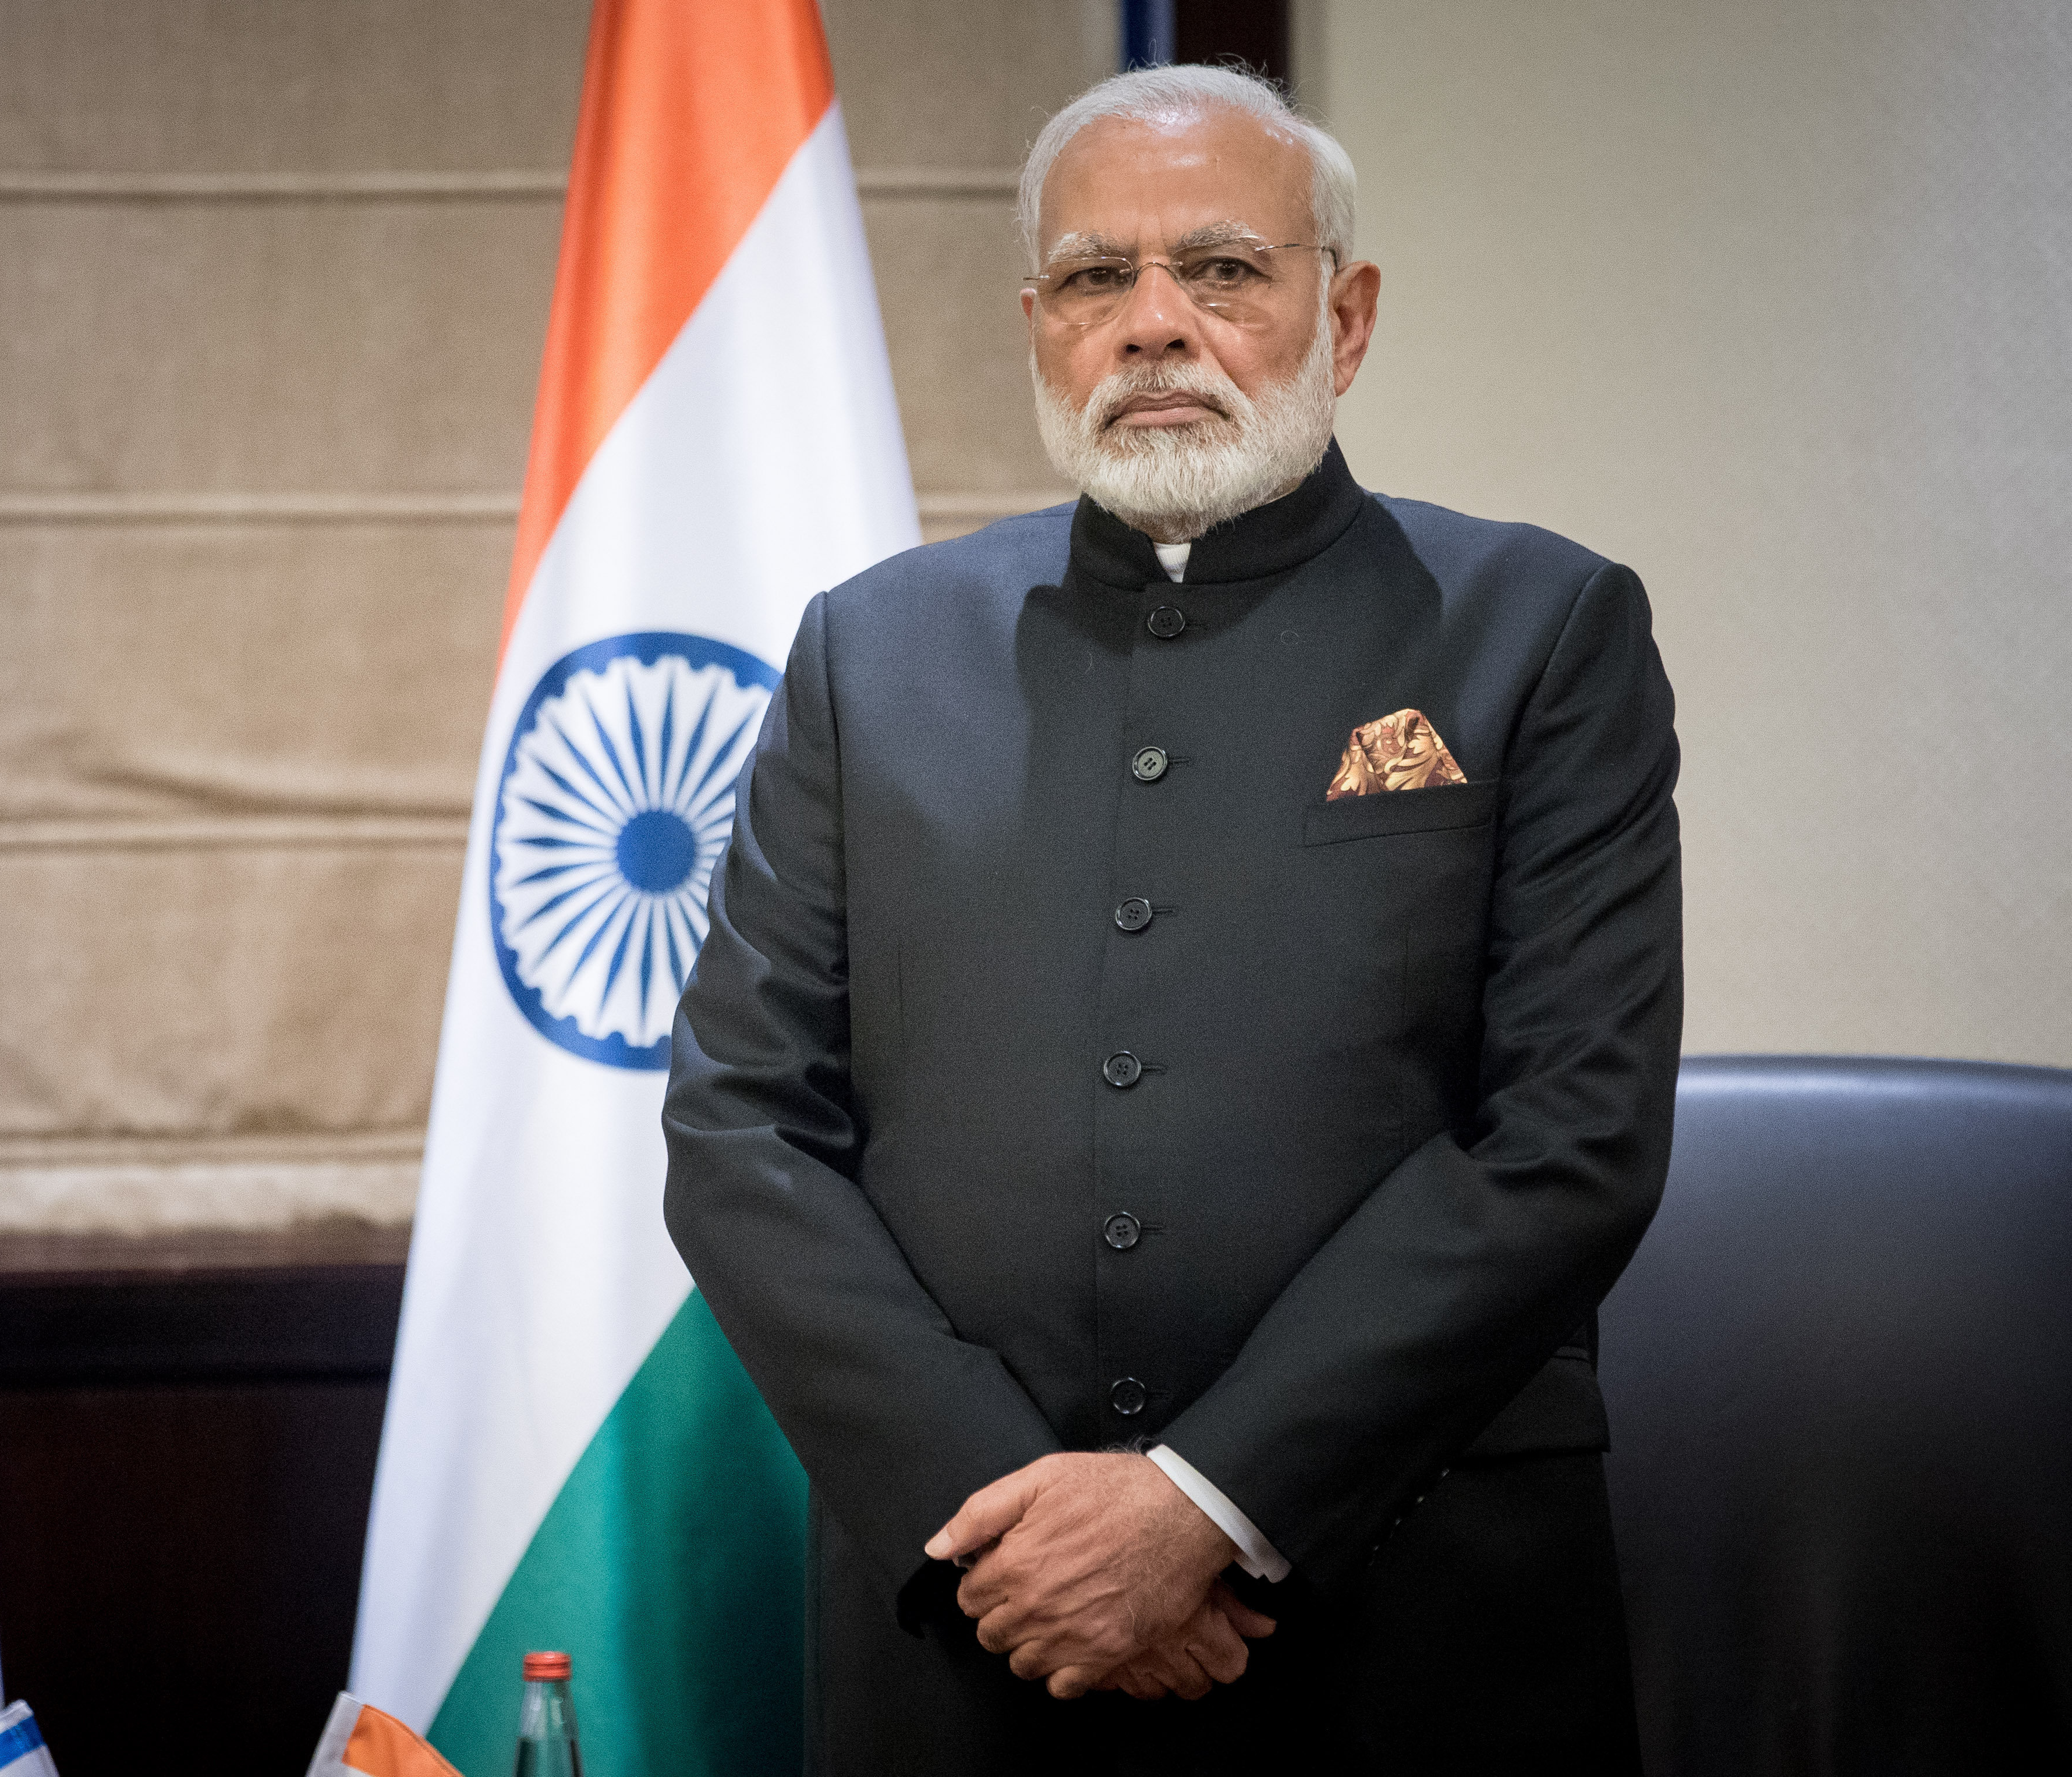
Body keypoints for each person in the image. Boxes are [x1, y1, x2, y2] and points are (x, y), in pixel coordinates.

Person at [661, 62, 1680, 1774]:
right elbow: (741, 1132)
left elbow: (1567, 1138)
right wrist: (1001, 1527)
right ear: (1038, 327)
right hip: (971, 1618)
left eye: (1221, 269)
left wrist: (1203, 1508)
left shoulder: (1537, 629)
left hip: (1411, 1613)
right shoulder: (870, 655)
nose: (1151, 323)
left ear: (1341, 319)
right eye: (1091, 277)